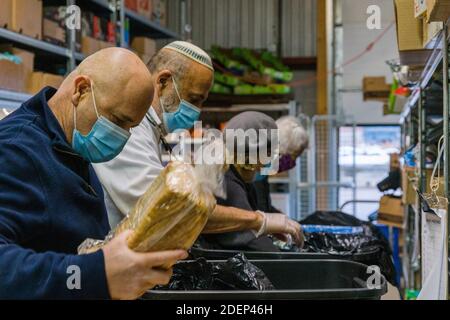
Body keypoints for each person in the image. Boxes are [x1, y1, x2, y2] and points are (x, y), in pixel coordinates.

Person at [0, 48, 187, 300]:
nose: (123, 137)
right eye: (118, 121)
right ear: (81, 90)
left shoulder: (72, 146)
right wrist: (96, 273)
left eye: (130, 127)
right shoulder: (15, 150)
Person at [93, 41, 302, 245]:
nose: (197, 112)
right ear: (163, 82)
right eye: (193, 99)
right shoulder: (130, 131)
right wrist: (259, 220)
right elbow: (170, 210)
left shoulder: (152, 130)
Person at [200, 112, 303, 252]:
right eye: (270, 154)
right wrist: (285, 260)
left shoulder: (241, 180)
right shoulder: (228, 183)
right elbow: (249, 240)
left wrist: (268, 225)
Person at [254, 116, 309, 213]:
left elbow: (263, 207)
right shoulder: (253, 171)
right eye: (291, 156)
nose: (292, 163)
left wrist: (278, 216)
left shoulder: (263, 170)